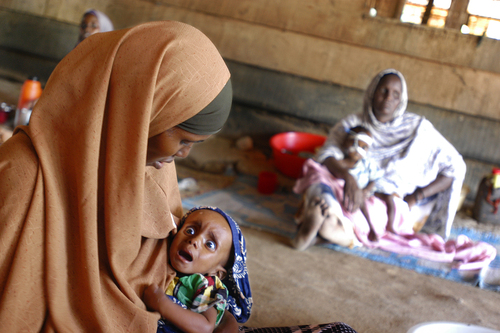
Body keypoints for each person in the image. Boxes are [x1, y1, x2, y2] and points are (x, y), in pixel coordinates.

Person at [0, 21, 235, 332]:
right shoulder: (24, 174)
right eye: (183, 141)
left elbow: (171, 269)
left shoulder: (152, 164)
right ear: (140, 112)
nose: (184, 155)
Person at [293, 68, 466, 250]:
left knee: (372, 216)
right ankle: (326, 215)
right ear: (372, 92)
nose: (388, 98)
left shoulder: (418, 130)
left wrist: (416, 197)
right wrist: (348, 177)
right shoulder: (353, 124)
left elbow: (455, 166)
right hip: (345, 188)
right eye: (383, 91)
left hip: (381, 198)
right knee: (316, 173)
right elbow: (326, 154)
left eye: (395, 94)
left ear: (401, 100)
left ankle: (326, 226)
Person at [143, 206, 252, 333]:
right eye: (190, 230)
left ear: (217, 273)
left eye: (210, 244)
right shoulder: (159, 260)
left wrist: (161, 303)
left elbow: (205, 327)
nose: (194, 240)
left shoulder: (206, 285)